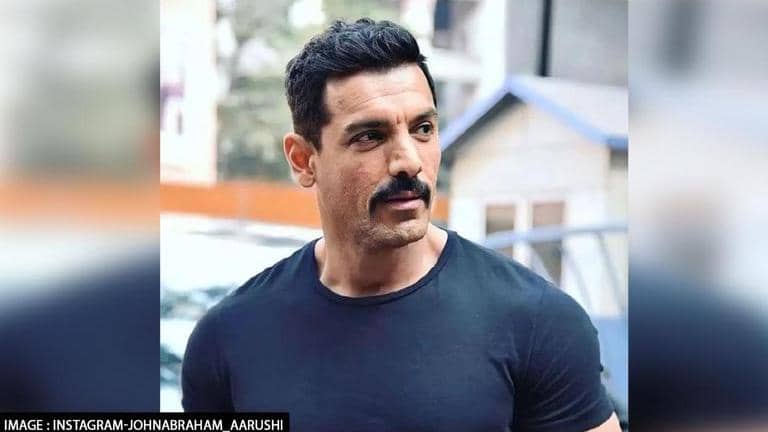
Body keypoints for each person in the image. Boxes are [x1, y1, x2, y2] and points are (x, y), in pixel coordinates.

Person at [182, 18, 620, 431]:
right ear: (303, 160)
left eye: (423, 128)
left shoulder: (538, 323)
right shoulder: (229, 337)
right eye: (370, 137)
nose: (408, 161)